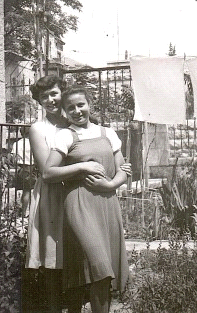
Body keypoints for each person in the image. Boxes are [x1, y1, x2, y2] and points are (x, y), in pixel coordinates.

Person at [44, 86, 131, 313]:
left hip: (107, 204)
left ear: (89, 105)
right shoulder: (65, 135)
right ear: (65, 111)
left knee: (103, 274)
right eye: (70, 107)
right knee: (99, 265)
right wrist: (82, 165)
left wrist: (110, 184)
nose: (77, 111)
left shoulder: (107, 133)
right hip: (79, 204)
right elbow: (48, 173)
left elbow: (124, 169)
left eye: (80, 105)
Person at [25, 76, 104, 313]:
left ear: (63, 94)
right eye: (44, 97)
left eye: (54, 94)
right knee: (54, 257)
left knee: (78, 255)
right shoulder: (39, 129)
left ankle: (76, 307)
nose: (50, 100)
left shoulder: (78, 122)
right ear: (39, 102)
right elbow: (46, 171)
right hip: (54, 196)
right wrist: (83, 168)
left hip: (80, 194)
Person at [11, 126, 33, 217]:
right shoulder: (33, 143)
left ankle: (23, 211)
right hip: (32, 167)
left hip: (21, 168)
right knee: (30, 191)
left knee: (25, 191)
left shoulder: (17, 143)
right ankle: (27, 212)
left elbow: (13, 158)